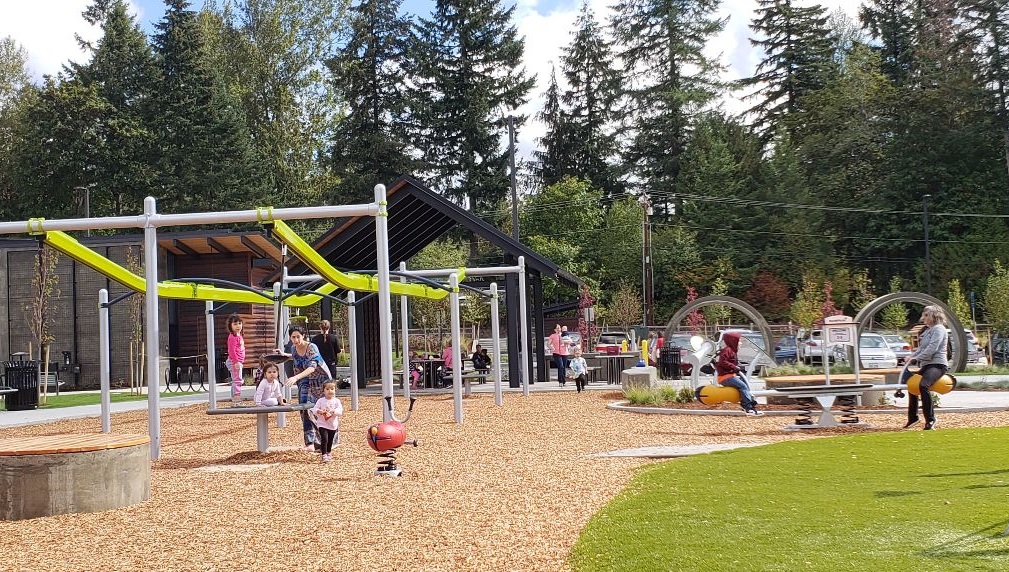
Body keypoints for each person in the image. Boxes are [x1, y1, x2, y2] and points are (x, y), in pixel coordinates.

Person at [280, 325, 330, 452]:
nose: (296, 340)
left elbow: (312, 367)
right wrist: (283, 355)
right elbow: (295, 356)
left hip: (319, 380)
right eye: (293, 337)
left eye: (298, 337)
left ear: (303, 336)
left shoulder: (311, 347)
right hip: (304, 380)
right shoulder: (293, 348)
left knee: (320, 409)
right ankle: (310, 442)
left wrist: (295, 377)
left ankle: (326, 440)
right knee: (304, 408)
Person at [901, 305, 949, 430]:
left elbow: (932, 348)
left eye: (926, 315)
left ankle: (931, 419)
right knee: (912, 385)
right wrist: (910, 357)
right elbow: (921, 349)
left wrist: (916, 359)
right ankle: (913, 418)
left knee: (923, 385)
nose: (924, 318)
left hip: (937, 365)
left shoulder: (939, 329)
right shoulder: (928, 330)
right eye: (924, 315)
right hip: (927, 365)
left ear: (934, 316)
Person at [715, 332, 762, 416]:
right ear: (733, 341)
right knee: (743, 386)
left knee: (745, 384)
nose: (741, 343)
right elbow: (723, 362)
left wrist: (736, 368)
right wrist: (734, 367)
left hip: (729, 376)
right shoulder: (728, 350)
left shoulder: (732, 351)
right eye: (739, 341)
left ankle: (749, 405)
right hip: (725, 377)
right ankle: (748, 408)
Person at [310, 381, 343, 463]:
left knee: (330, 440)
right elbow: (314, 409)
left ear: (335, 390)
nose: (330, 391)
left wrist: (334, 411)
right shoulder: (321, 400)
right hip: (322, 424)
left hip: (332, 424)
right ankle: (324, 455)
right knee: (324, 439)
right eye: (327, 389)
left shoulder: (336, 401)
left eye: (332, 389)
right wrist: (319, 411)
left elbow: (340, 411)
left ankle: (329, 452)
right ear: (323, 391)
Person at [226, 314, 246, 405]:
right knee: (238, 379)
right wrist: (236, 362)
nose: (238, 326)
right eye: (235, 324)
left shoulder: (239, 335)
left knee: (237, 379)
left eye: (239, 323)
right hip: (234, 362)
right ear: (230, 326)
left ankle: (235, 397)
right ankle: (236, 397)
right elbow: (231, 351)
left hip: (238, 362)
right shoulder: (232, 337)